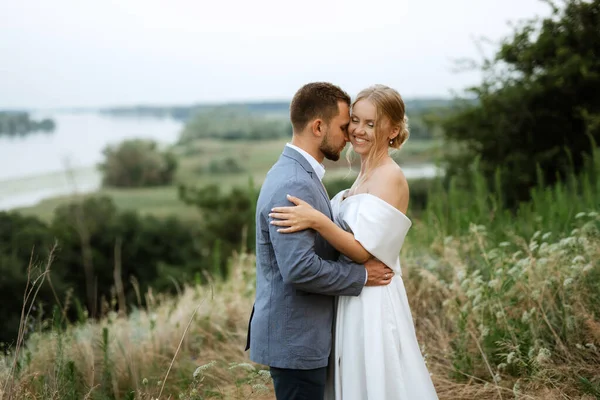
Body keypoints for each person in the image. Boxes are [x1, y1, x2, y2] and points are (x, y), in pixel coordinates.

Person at [269, 84, 439, 399]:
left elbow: (363, 252)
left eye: (370, 124)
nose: (358, 131)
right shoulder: (362, 177)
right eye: (354, 122)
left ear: (393, 130)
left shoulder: (390, 176)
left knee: (376, 380)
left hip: (373, 297)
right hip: (352, 294)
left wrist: (318, 220)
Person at [245, 82, 395, 400]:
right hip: (296, 341)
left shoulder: (298, 173)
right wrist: (363, 275)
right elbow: (300, 270)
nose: (350, 135)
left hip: (301, 338)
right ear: (318, 126)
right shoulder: (295, 182)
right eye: (344, 126)